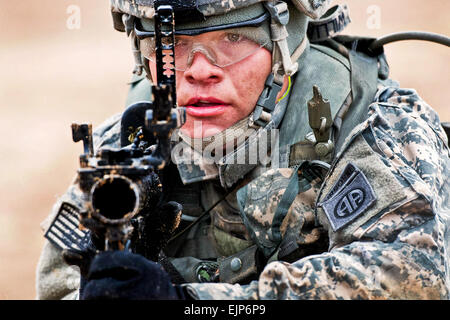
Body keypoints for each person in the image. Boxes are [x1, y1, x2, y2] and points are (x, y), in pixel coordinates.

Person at [36, 0, 450, 300]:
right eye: (172, 44)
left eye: (233, 37)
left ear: (285, 42)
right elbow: (59, 285)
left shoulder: (373, 125)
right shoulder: (126, 148)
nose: (199, 69)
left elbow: (412, 279)